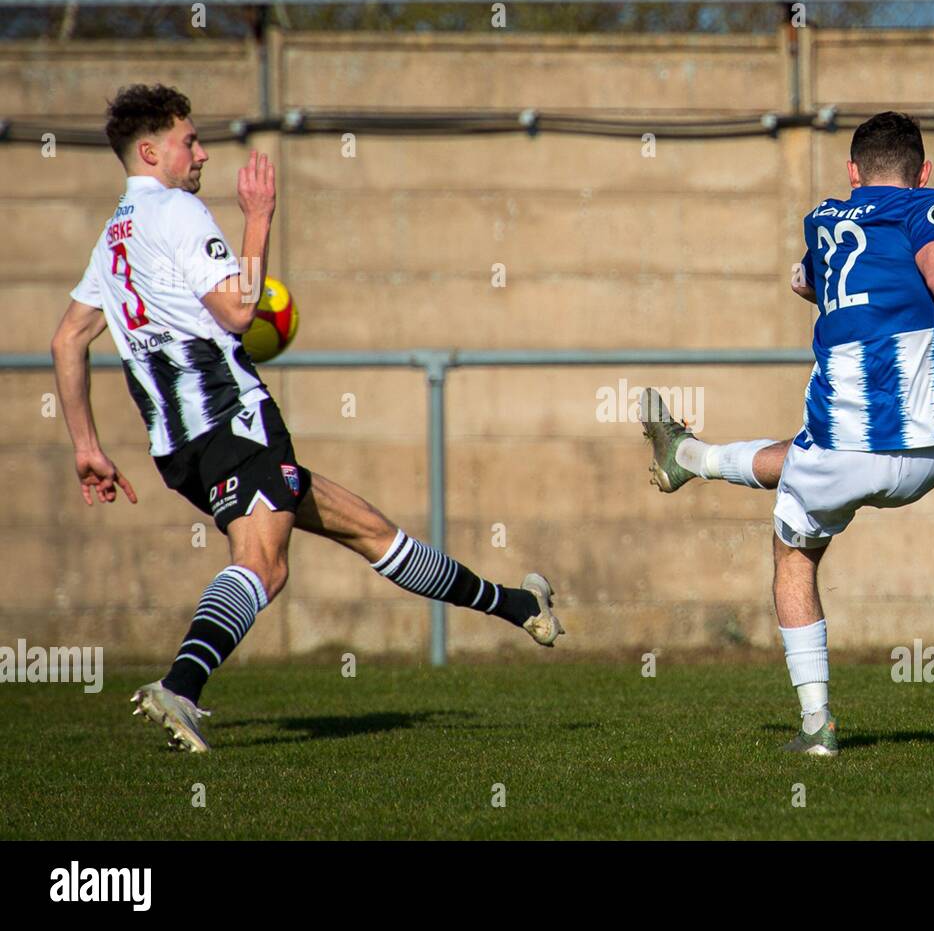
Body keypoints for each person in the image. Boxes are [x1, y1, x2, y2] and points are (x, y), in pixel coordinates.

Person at [50, 84, 563, 753]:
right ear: (150, 151)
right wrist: (258, 218)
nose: (201, 152)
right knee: (264, 565)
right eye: (190, 140)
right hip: (233, 421)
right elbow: (239, 311)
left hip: (179, 449)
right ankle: (181, 686)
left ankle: (521, 608)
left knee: (371, 530)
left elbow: (67, 339)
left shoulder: (112, 238)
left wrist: (86, 445)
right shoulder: (177, 210)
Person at [641, 111, 934, 757]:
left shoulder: (824, 219)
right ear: (923, 172)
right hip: (931, 454)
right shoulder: (932, 205)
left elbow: (805, 280)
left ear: (853, 172)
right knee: (804, 465)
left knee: (793, 553)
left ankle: (817, 725)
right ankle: (687, 456)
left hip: (847, 449)